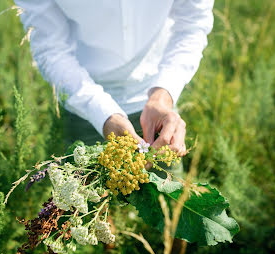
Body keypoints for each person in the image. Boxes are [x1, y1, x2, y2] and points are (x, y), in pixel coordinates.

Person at [14, 0, 214, 154]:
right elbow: (51, 49)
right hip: (82, 105)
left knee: (170, 205)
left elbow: (192, 26)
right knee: (81, 205)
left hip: (158, 103)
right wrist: (102, 113)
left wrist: (163, 95)